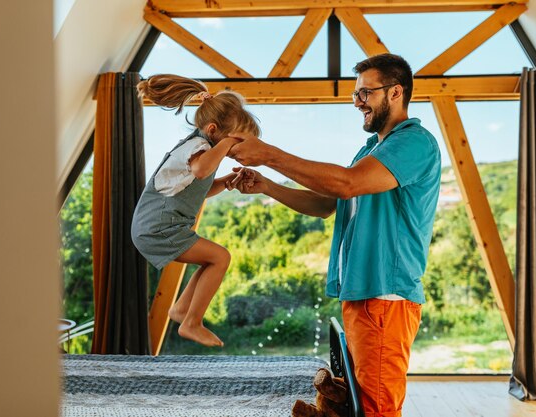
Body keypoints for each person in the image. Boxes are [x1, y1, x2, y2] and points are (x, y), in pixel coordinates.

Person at [228, 54, 441, 417]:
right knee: (357, 404)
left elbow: (346, 184)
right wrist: (268, 186)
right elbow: (327, 203)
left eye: (365, 93)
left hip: (385, 295)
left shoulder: (414, 143)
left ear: (395, 92)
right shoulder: (371, 150)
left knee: (377, 409)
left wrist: (269, 155)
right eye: (355, 94)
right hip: (362, 292)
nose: (357, 102)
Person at [131, 74, 259, 347]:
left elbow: (196, 186)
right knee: (220, 257)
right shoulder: (197, 147)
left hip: (157, 226)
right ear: (213, 130)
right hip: (157, 227)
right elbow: (202, 169)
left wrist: (225, 184)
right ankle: (191, 323)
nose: (235, 151)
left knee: (212, 259)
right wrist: (226, 145)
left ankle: (180, 311)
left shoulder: (201, 150)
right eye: (236, 143)